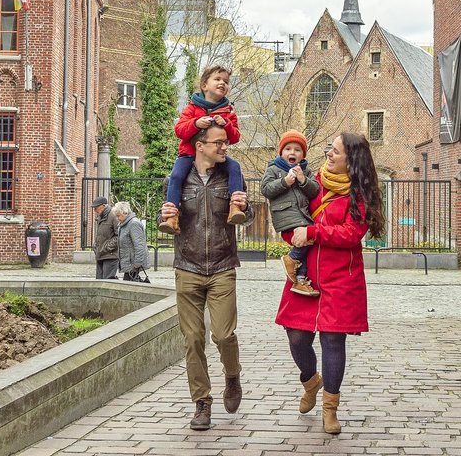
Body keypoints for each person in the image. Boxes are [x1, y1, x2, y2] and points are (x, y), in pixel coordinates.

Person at [275, 132, 385, 435]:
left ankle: (329, 408)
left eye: (335, 151)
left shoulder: (360, 193)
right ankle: (311, 381)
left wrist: (314, 233)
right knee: (296, 336)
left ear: (352, 159)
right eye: (328, 149)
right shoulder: (312, 182)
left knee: (333, 341)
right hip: (305, 275)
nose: (329, 155)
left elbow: (351, 234)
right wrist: (294, 235)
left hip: (341, 278)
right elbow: (292, 216)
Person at [159, 122, 254, 431]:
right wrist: (164, 215)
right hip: (187, 267)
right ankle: (202, 403)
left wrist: (245, 208)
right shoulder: (177, 179)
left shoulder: (230, 177)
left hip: (223, 266)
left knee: (224, 335)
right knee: (192, 339)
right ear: (200, 146)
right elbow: (167, 215)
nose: (224, 147)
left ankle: (232, 375)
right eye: (218, 143)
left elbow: (248, 215)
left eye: (225, 142)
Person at [159, 64, 245, 235]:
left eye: (226, 81)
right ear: (205, 85)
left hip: (216, 157)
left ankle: (235, 206)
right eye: (217, 79)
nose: (222, 83)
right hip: (188, 154)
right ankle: (171, 216)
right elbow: (179, 130)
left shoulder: (228, 111)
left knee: (235, 167)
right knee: (176, 176)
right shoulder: (191, 108)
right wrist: (195, 123)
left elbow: (235, 137)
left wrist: (226, 124)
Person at [261, 129, 321, 297]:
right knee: (307, 238)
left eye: (297, 149)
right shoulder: (273, 169)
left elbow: (315, 191)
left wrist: (303, 180)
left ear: (303, 154)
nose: (292, 152)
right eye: (288, 149)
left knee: (307, 242)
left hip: (302, 215)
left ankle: (300, 279)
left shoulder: (306, 172)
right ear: (281, 152)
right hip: (286, 214)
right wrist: (284, 182)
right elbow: (265, 189)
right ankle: (291, 258)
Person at [112, 201, 150, 281]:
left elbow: (139, 245)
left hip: (133, 264)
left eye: (118, 216)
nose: (117, 218)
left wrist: (137, 263)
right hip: (129, 263)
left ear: (125, 213)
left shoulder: (133, 224)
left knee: (129, 285)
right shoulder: (123, 225)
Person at [92, 196, 119, 279]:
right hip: (101, 254)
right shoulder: (101, 217)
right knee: (99, 282)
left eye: (96, 207)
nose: (95, 210)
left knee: (107, 282)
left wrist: (107, 247)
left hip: (110, 255)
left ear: (103, 206)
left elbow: (119, 236)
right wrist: (96, 246)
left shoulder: (113, 216)